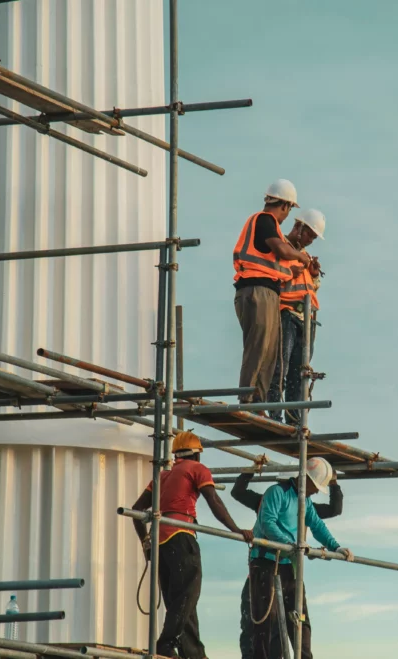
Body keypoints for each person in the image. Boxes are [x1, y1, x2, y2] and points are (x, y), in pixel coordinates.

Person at [131, 430, 255, 659]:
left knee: (179, 601)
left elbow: (136, 511)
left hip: (160, 542)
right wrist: (236, 529)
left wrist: (146, 542)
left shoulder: (163, 476)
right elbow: (214, 500)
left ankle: (193, 653)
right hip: (181, 535)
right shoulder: (197, 469)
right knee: (188, 595)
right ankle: (165, 645)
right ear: (197, 455)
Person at [247, 457, 354, 659]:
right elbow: (268, 523)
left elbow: (317, 525)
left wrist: (336, 547)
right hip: (265, 562)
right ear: (307, 479)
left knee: (300, 619)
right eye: (316, 487)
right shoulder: (276, 493)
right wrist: (291, 544)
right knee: (265, 621)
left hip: (289, 564)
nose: (316, 491)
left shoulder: (305, 501)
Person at [233, 179, 312, 406]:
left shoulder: (269, 228)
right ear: (286, 205)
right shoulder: (265, 220)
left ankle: (259, 400)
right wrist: (300, 256)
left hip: (265, 291)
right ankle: (247, 399)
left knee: (269, 352)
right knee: (258, 347)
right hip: (256, 290)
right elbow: (281, 249)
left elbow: (277, 263)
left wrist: (299, 267)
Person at [267, 209, 326, 425]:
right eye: (309, 234)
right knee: (279, 366)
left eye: (313, 236)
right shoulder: (280, 246)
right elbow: (274, 276)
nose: (310, 240)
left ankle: (293, 420)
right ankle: (274, 414)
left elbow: (310, 288)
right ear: (298, 227)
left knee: (299, 374)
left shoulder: (305, 257)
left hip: (306, 319)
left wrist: (314, 275)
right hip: (286, 313)